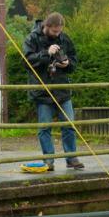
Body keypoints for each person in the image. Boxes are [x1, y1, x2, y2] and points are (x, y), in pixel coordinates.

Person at [23, 12, 84, 170]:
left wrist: (67, 64)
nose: (57, 34)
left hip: (62, 90)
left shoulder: (64, 38)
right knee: (45, 128)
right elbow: (27, 61)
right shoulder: (32, 39)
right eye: (54, 31)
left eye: (59, 31)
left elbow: (74, 60)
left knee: (69, 125)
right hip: (42, 92)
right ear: (46, 26)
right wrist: (46, 53)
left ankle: (72, 159)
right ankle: (48, 161)